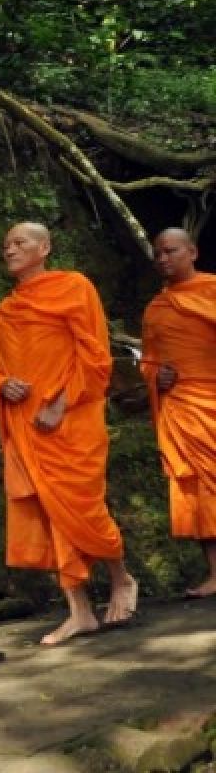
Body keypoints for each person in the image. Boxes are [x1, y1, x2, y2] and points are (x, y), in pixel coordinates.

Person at [0, 221, 137, 646]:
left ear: (44, 247)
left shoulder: (74, 288)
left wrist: (59, 405)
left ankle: (122, 579)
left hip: (71, 420)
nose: (11, 250)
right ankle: (80, 611)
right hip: (28, 427)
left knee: (85, 507)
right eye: (7, 245)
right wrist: (4, 386)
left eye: (20, 243)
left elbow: (96, 355)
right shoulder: (6, 311)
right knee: (49, 512)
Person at [139, 227, 216, 597]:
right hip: (183, 407)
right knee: (197, 490)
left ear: (193, 252)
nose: (163, 259)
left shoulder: (213, 291)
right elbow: (149, 360)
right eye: (158, 254)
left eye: (170, 251)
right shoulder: (156, 309)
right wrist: (157, 375)